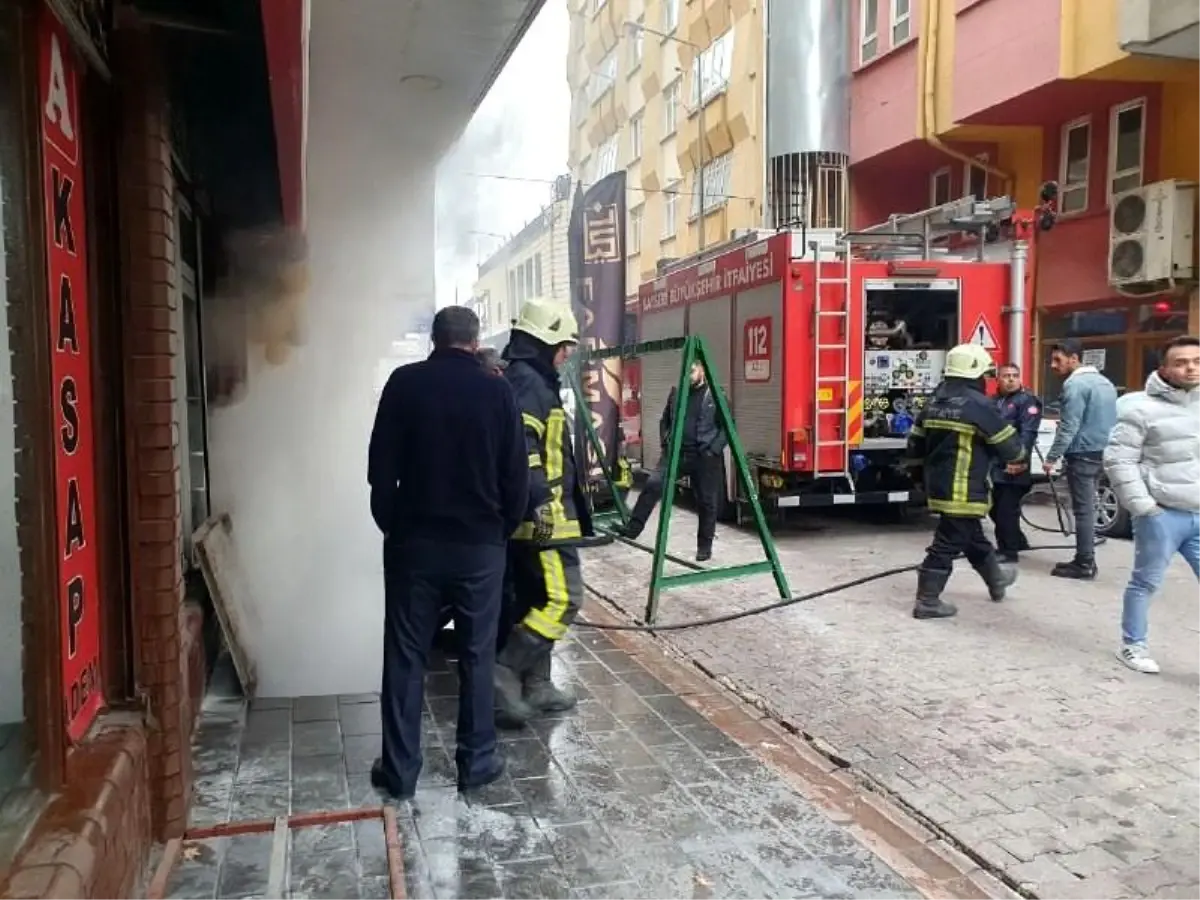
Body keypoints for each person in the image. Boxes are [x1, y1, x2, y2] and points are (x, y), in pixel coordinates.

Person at [367, 306, 528, 799]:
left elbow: (380, 469)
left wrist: (394, 526)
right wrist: (500, 532)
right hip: (480, 548)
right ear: (474, 340)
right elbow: (516, 478)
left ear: (434, 339)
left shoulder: (404, 383)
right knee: (477, 654)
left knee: (405, 655)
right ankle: (476, 763)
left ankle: (399, 771)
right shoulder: (498, 391)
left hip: (414, 544)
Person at [495, 298, 594, 727]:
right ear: (541, 342)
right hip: (544, 519)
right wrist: (541, 507)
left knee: (534, 600)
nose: (568, 352)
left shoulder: (530, 379)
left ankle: (537, 686)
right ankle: (501, 672)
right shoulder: (528, 386)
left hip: (540, 517)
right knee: (563, 598)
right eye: (562, 344)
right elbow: (525, 453)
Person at [905, 343, 1026, 619]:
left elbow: (914, 447)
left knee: (972, 536)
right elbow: (1013, 450)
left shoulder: (933, 402)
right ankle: (928, 601)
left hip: (937, 486)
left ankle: (996, 580)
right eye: (985, 374)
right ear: (975, 374)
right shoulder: (979, 406)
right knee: (947, 542)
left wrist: (919, 479)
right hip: (964, 487)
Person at [1103, 335, 1200, 674]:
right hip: (1162, 513)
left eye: (1196, 361)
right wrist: (1143, 506)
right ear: (1165, 368)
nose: (1190, 367)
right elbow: (1118, 460)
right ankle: (1133, 646)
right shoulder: (1140, 408)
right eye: (1181, 362)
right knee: (1146, 582)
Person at [618, 359, 727, 562]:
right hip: (676, 453)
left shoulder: (715, 394)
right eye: (686, 371)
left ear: (702, 370)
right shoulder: (677, 392)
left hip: (704, 456)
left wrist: (713, 450)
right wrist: (666, 442)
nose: (688, 375)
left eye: (692, 371)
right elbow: (664, 420)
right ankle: (633, 528)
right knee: (653, 484)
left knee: (706, 502)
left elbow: (728, 427)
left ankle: (704, 547)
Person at [1042, 339, 1118, 579]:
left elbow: (1069, 426)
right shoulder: (1105, 383)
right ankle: (1084, 559)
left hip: (1082, 454)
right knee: (1090, 507)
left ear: (1074, 358)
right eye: (1052, 360)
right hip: (1102, 451)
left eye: (1058, 360)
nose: (1053, 365)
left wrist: (1051, 457)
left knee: (1083, 511)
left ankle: (1084, 563)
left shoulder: (1074, 385)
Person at [989, 363, 1043, 563]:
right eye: (1006, 376)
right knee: (994, 507)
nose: (1011, 379)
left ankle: (1008, 552)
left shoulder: (1027, 401)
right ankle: (1018, 540)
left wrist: (1018, 460)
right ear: (998, 379)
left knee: (1006, 510)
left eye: (1015, 375)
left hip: (1015, 465)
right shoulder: (994, 402)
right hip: (995, 465)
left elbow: (1028, 434)